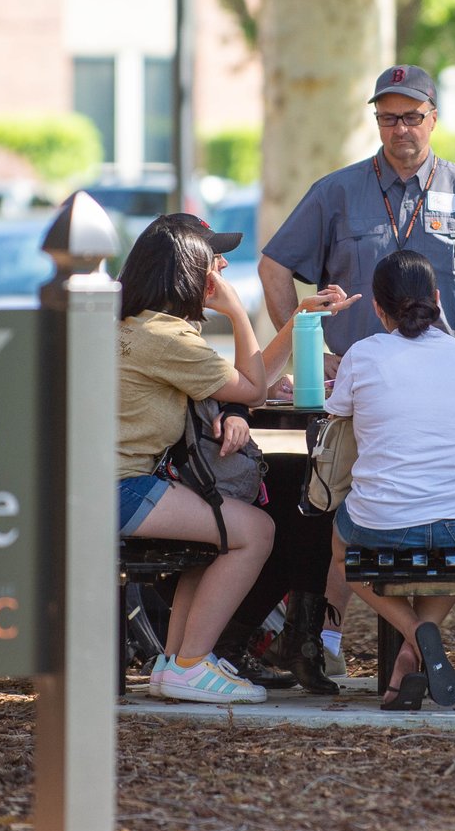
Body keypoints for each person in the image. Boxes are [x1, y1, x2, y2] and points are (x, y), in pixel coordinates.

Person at [258, 63, 455, 672]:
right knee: (338, 505)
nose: (400, 130)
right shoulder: (337, 191)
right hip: (357, 390)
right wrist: (312, 346)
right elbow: (274, 266)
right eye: (388, 118)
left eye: (412, 116)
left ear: (433, 119)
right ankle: (326, 646)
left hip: (449, 392)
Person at [117, 212, 358, 704]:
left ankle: (174, 663)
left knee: (222, 531)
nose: (223, 264)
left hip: (105, 486)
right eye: (214, 257)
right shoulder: (167, 337)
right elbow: (252, 389)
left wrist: (296, 321)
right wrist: (237, 311)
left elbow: (247, 387)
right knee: (254, 530)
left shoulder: (139, 326)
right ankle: (191, 663)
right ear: (189, 269)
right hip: (122, 489)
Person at [327, 250, 455, 710]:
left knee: (342, 551)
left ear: (378, 309)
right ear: (439, 300)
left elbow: (337, 413)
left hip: (380, 521)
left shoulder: (363, 354)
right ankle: (415, 644)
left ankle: (413, 635)